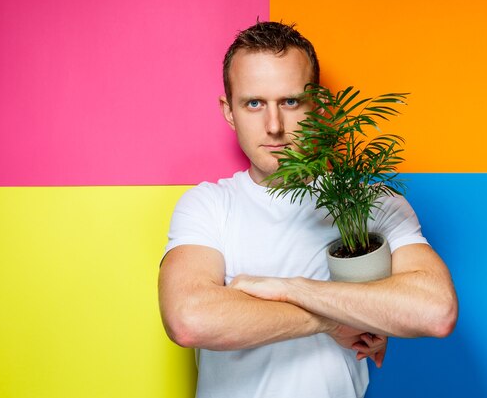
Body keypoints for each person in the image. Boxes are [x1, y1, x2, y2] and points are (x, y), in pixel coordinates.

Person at [158, 21, 458, 398]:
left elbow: (435, 310)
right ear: (229, 111)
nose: (274, 126)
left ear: (316, 106)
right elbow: (189, 319)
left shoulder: (369, 200)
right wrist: (334, 319)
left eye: (290, 102)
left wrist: (287, 288)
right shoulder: (208, 206)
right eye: (254, 103)